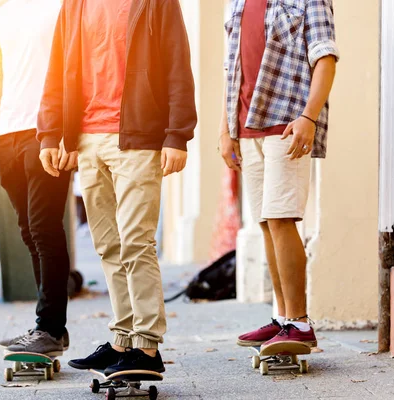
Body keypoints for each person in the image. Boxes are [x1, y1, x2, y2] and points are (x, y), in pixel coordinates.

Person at [37, 0, 197, 375]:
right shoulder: (74, 4)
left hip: (139, 136)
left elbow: (178, 63)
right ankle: (122, 339)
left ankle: (147, 346)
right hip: (87, 139)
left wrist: (177, 135)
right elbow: (57, 70)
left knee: (136, 240)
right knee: (108, 244)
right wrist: (49, 134)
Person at [219, 0, 339, 354]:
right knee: (265, 222)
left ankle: (300, 323)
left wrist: (309, 116)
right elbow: (232, 67)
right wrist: (225, 131)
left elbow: (325, 57)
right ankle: (283, 317)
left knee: (281, 218)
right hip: (246, 127)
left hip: (286, 123)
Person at [0, 0, 75, 357]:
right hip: (9, 135)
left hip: (47, 131)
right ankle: (48, 328)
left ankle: (50, 327)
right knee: (28, 232)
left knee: (45, 228)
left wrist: (69, 132)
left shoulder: (62, 5)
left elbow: (76, 66)